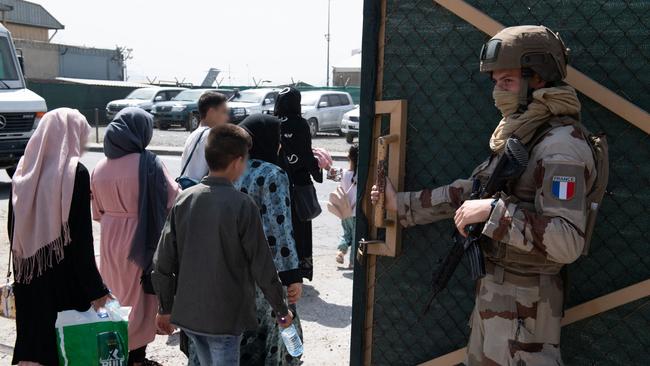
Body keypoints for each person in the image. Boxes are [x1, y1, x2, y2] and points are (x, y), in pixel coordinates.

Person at [371, 26, 597, 365]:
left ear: (537, 79)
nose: (497, 92)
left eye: (506, 82)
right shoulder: (523, 131)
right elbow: (472, 191)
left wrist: (494, 213)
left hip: (527, 307)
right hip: (498, 296)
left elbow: (567, 241)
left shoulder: (561, 146)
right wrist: (400, 204)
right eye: (495, 82)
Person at [152, 124, 294, 366]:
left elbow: (162, 260)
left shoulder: (185, 199)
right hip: (226, 316)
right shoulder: (242, 205)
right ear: (238, 161)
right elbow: (262, 265)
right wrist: (281, 308)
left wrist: (165, 306)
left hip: (191, 314)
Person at [9, 108, 111, 366]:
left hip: (29, 276)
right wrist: (96, 289)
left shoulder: (22, 171)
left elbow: (13, 230)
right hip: (64, 280)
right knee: (65, 349)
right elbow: (80, 242)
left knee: (33, 346)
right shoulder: (74, 173)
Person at [91, 107, 180, 366]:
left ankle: (117, 352)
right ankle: (135, 357)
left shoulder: (99, 166)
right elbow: (172, 200)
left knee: (115, 297)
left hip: (110, 239)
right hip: (141, 240)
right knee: (140, 300)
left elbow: (97, 212)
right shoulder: (149, 162)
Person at [235, 114, 303, 365]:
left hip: (235, 270)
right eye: (277, 139)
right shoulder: (273, 174)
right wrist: (292, 277)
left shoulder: (232, 170)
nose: (280, 145)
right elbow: (279, 229)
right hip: (267, 274)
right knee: (276, 339)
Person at [275, 87, 323, 281]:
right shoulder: (301, 124)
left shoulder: (274, 123)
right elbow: (305, 154)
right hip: (300, 184)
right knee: (300, 228)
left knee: (282, 226)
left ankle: (283, 269)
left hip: (279, 183)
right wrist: (317, 172)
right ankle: (300, 269)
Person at [179, 91, 230, 183]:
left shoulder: (194, 134)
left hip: (188, 190)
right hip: (203, 192)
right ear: (211, 112)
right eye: (224, 112)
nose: (227, 117)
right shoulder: (211, 135)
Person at [328, 144, 358, 268]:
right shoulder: (363, 174)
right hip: (357, 212)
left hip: (345, 212)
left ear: (349, 158)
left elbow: (330, 173)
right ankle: (352, 262)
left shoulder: (344, 173)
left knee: (346, 234)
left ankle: (340, 252)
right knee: (356, 236)